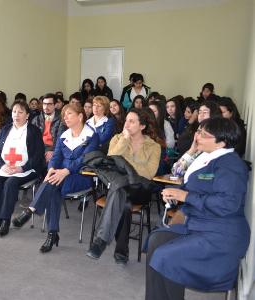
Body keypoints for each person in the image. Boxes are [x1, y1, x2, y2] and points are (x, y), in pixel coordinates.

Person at [145, 117, 250, 300]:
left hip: (220, 235)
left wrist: (185, 196)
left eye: (203, 134)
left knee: (166, 257)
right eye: (198, 131)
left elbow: (227, 204)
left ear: (221, 142)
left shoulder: (231, 164)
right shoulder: (205, 158)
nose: (197, 136)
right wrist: (175, 194)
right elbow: (194, 186)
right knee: (157, 240)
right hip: (199, 224)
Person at [12, 103, 99, 252]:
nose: (65, 117)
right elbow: (56, 156)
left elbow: (84, 159)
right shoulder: (63, 135)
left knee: (53, 184)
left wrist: (65, 171)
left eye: (69, 114)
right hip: (60, 175)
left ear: (80, 116)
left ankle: (32, 211)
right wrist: (51, 168)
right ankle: (52, 234)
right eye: (64, 114)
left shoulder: (92, 135)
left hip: (81, 176)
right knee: (53, 186)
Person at [87, 108, 162, 263]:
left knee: (119, 188)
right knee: (125, 203)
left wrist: (124, 165)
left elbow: (148, 173)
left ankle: (101, 240)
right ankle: (121, 251)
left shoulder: (154, 146)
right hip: (120, 188)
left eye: (132, 121)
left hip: (141, 188)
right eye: (126, 120)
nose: (126, 124)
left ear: (142, 126)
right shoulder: (117, 139)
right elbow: (110, 160)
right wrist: (124, 140)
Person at [0, 100, 45, 237]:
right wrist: (2, 165)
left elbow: (38, 156)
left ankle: (5, 219)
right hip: (6, 167)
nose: (16, 115)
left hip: (26, 169)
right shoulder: (5, 129)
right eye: (14, 111)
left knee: (10, 183)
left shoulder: (34, 131)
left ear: (27, 115)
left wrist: (22, 168)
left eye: (20, 112)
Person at [172, 101, 221, 175]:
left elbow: (206, 175)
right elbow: (175, 170)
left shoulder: (215, 143)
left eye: (205, 112)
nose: (201, 115)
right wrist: (192, 149)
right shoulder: (194, 130)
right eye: (200, 112)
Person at [31, 93, 64, 164]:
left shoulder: (62, 119)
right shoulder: (36, 120)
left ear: (55, 105)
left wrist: (53, 151)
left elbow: (61, 139)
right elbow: (32, 140)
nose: (46, 106)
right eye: (44, 104)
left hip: (54, 149)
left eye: (49, 104)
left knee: (51, 162)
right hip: (39, 148)